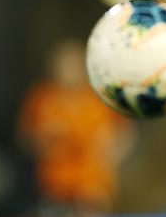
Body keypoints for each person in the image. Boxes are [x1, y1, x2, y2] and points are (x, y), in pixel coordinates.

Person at [18, 40, 134, 215]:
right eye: (63, 64)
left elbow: (125, 131)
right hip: (54, 183)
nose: (68, 70)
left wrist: (111, 153)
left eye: (73, 64)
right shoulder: (41, 98)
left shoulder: (100, 97)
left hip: (93, 183)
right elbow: (25, 134)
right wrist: (43, 145)